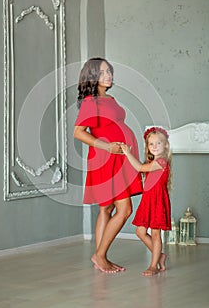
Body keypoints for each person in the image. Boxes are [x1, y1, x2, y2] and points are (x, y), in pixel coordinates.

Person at [74, 57, 142, 273]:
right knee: (124, 209)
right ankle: (100, 255)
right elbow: (78, 132)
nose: (108, 75)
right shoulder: (90, 101)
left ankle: (100, 257)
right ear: (92, 77)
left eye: (109, 71)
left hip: (119, 158)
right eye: (103, 73)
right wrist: (105, 146)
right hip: (106, 159)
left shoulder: (109, 99)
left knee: (107, 208)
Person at [121, 127, 172, 276]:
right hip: (148, 199)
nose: (155, 146)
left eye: (158, 143)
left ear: (165, 145)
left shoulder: (161, 162)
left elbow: (139, 167)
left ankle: (153, 265)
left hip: (157, 200)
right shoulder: (152, 161)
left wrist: (127, 153)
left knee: (156, 233)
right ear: (148, 147)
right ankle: (160, 256)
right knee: (140, 231)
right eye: (151, 144)